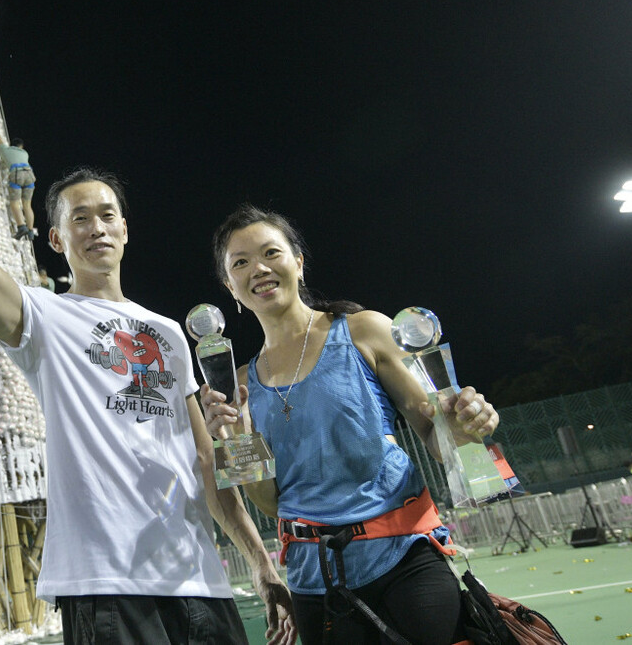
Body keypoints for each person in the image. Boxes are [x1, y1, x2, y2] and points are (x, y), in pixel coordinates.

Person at [0, 33, 295, 645]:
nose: (97, 227)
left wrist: (260, 560)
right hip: (105, 584)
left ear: (126, 229)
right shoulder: (41, 315)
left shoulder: (169, 333)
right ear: (56, 240)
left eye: (108, 214)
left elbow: (205, 463)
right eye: (79, 219)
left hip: (198, 578)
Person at [201, 205, 500, 645]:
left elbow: (441, 438)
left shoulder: (364, 331)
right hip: (312, 582)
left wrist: (470, 422)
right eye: (241, 262)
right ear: (230, 286)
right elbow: (270, 503)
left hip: (404, 560)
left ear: (298, 262)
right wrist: (235, 438)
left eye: (271, 253)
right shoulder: (239, 385)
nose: (259, 269)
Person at [0, 131, 37, 240]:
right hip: (30, 175)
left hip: (17, 174)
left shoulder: (5, 150)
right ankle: (31, 231)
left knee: (14, 203)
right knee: (27, 205)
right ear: (21, 146)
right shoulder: (25, 153)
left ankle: (21, 227)